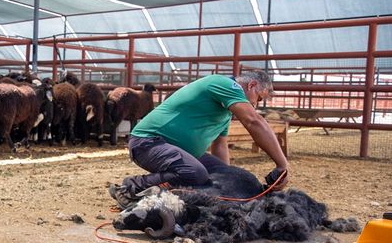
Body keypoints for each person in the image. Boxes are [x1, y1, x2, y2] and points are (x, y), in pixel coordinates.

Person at [109, 71, 289, 209]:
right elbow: (254, 121)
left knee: (229, 173)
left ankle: (169, 191)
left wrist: (226, 179)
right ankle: (131, 187)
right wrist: (282, 164)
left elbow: (220, 145)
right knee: (195, 172)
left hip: (175, 150)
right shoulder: (225, 84)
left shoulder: (225, 113)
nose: (255, 105)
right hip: (148, 142)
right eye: (258, 98)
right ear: (251, 85)